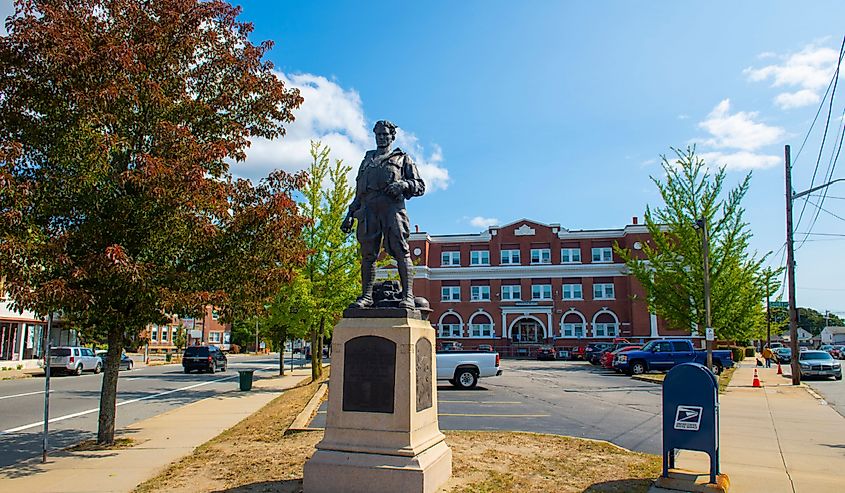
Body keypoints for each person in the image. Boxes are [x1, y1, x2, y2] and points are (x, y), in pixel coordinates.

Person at [341, 120, 425, 309]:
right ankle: (367, 297)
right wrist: (349, 215)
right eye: (378, 134)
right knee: (368, 255)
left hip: (392, 209)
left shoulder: (402, 159)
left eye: (385, 134)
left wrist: (404, 185)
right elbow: (359, 193)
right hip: (369, 211)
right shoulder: (367, 161)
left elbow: (420, 186)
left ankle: (408, 296)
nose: (382, 138)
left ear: (392, 136)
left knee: (401, 251)